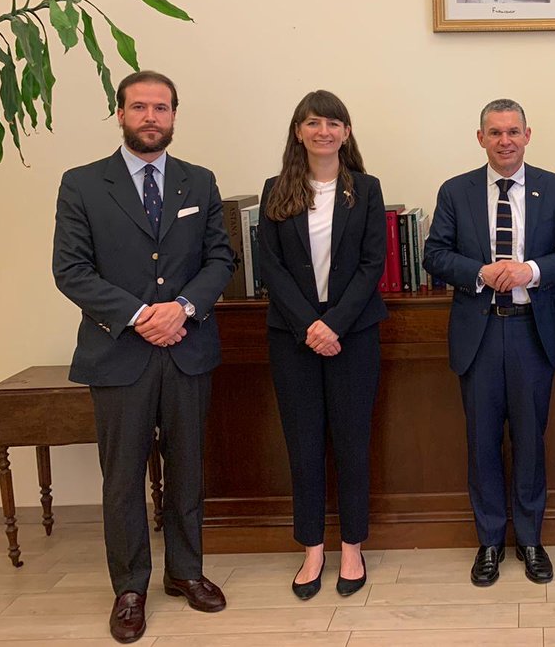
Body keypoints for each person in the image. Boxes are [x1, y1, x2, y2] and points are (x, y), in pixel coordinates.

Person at [52, 70, 236, 644]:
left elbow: (220, 259)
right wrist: (140, 316)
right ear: (120, 114)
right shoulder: (82, 184)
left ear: (175, 116)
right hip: (117, 354)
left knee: (188, 470)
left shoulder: (199, 182)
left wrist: (181, 308)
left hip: (188, 348)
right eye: (140, 107)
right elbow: (71, 270)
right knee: (123, 478)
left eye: (161, 108)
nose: (151, 116)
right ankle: (130, 587)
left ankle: (186, 572)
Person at [423, 99, 555, 586]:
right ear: (480, 138)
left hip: (532, 331)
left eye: (513, 131)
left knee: (531, 441)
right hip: (480, 331)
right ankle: (490, 541)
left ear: (528, 135)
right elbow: (434, 254)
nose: (505, 140)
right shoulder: (456, 191)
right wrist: (479, 272)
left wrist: (530, 271)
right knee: (482, 442)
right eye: (495, 132)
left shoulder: (554, 188)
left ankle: (531, 539)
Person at [257, 90, 388, 600]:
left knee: (353, 445)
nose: (324, 131)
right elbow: (271, 266)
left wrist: (334, 324)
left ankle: (352, 545)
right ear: (298, 131)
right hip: (292, 338)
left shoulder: (367, 190)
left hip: (353, 336)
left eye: (334, 123)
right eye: (313, 122)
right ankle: (312, 547)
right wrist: (310, 325)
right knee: (304, 445)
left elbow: (372, 264)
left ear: (346, 132)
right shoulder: (276, 190)